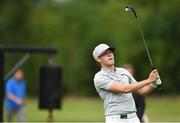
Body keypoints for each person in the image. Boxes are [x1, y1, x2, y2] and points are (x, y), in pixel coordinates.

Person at [93, 43, 159, 123]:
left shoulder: (123, 71)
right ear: (98, 59)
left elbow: (141, 91)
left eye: (110, 52)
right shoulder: (99, 77)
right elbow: (124, 89)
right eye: (105, 54)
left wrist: (153, 83)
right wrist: (148, 80)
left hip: (134, 118)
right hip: (115, 119)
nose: (110, 55)